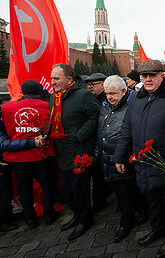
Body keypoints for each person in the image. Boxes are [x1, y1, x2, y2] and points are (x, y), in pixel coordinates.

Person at [113, 60, 165, 257]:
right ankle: (157, 229)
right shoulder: (136, 98)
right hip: (144, 161)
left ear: (162, 76)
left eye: (152, 75)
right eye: (144, 76)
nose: (147, 79)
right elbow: (127, 129)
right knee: (151, 200)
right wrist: (120, 156)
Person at [49, 64, 100, 241]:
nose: (52, 81)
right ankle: (77, 216)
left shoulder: (83, 95)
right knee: (68, 190)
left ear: (69, 79)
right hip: (62, 151)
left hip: (79, 151)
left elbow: (95, 116)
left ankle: (85, 220)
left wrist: (79, 135)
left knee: (80, 189)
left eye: (56, 78)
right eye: (52, 78)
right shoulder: (54, 96)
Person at [0, 80, 57, 228]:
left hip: (19, 157)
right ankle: (49, 215)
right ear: (39, 91)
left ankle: (30, 218)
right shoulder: (47, 106)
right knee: (46, 183)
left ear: (23, 92)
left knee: (24, 187)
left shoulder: (6, 108)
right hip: (41, 154)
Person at [97, 75, 142, 242]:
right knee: (118, 190)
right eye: (107, 93)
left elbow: (133, 135)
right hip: (106, 157)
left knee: (126, 194)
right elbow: (100, 130)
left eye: (113, 94)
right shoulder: (105, 105)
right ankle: (137, 212)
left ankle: (126, 222)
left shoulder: (135, 105)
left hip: (124, 159)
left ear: (124, 91)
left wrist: (122, 157)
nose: (109, 97)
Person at [85, 72, 110, 213]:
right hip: (95, 144)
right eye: (88, 85)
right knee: (97, 175)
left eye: (93, 85)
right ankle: (99, 201)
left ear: (103, 85)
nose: (90, 87)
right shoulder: (89, 99)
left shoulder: (107, 100)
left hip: (107, 144)